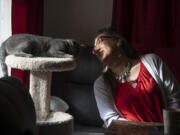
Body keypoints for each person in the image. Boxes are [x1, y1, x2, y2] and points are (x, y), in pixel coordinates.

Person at [92, 27, 180, 128]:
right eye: (93, 49)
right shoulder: (101, 84)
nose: (96, 49)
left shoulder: (152, 61)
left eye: (99, 41)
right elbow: (111, 119)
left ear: (117, 41)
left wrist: (170, 128)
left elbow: (175, 97)